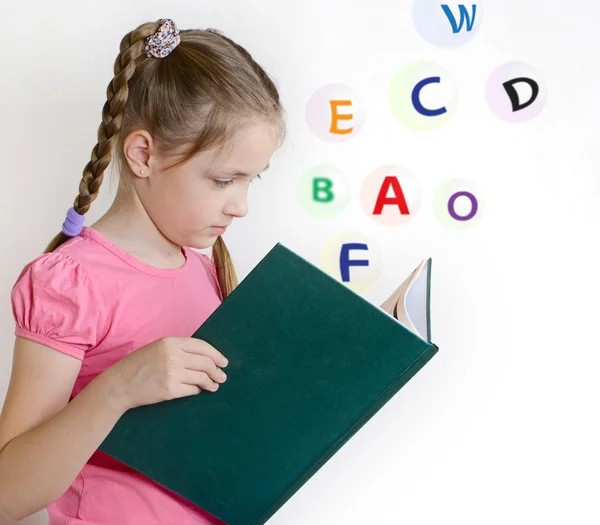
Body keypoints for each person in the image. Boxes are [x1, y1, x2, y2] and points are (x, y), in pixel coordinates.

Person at [0, 18, 286, 524]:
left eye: (250, 181)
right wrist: (118, 388)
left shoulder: (207, 271)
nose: (240, 205)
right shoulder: (72, 282)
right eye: (223, 180)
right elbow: (8, 494)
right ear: (142, 155)